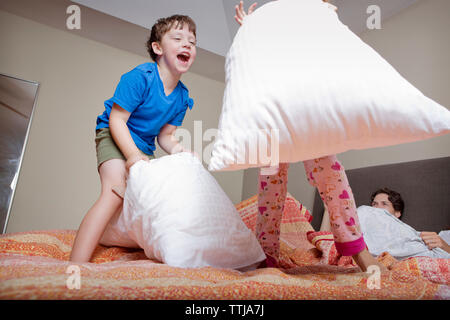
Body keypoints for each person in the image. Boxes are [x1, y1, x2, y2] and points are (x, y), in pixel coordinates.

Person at [234, 0, 384, 272]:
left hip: (308, 116)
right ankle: (266, 255)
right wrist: (249, 31)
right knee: (271, 189)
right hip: (275, 118)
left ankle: (358, 251)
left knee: (332, 177)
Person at [70, 15, 197, 262]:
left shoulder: (182, 97)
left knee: (145, 206)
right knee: (114, 192)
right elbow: (118, 120)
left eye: (192, 42)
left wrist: (181, 152)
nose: (187, 45)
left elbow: (166, 136)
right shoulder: (141, 77)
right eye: (178, 38)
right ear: (157, 48)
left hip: (143, 146)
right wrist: (131, 155)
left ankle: (106, 234)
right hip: (115, 133)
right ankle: (76, 266)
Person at [371, 187, 450, 254]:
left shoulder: (410, 236)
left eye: (384, 204)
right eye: (374, 204)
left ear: (397, 213)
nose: (377, 208)